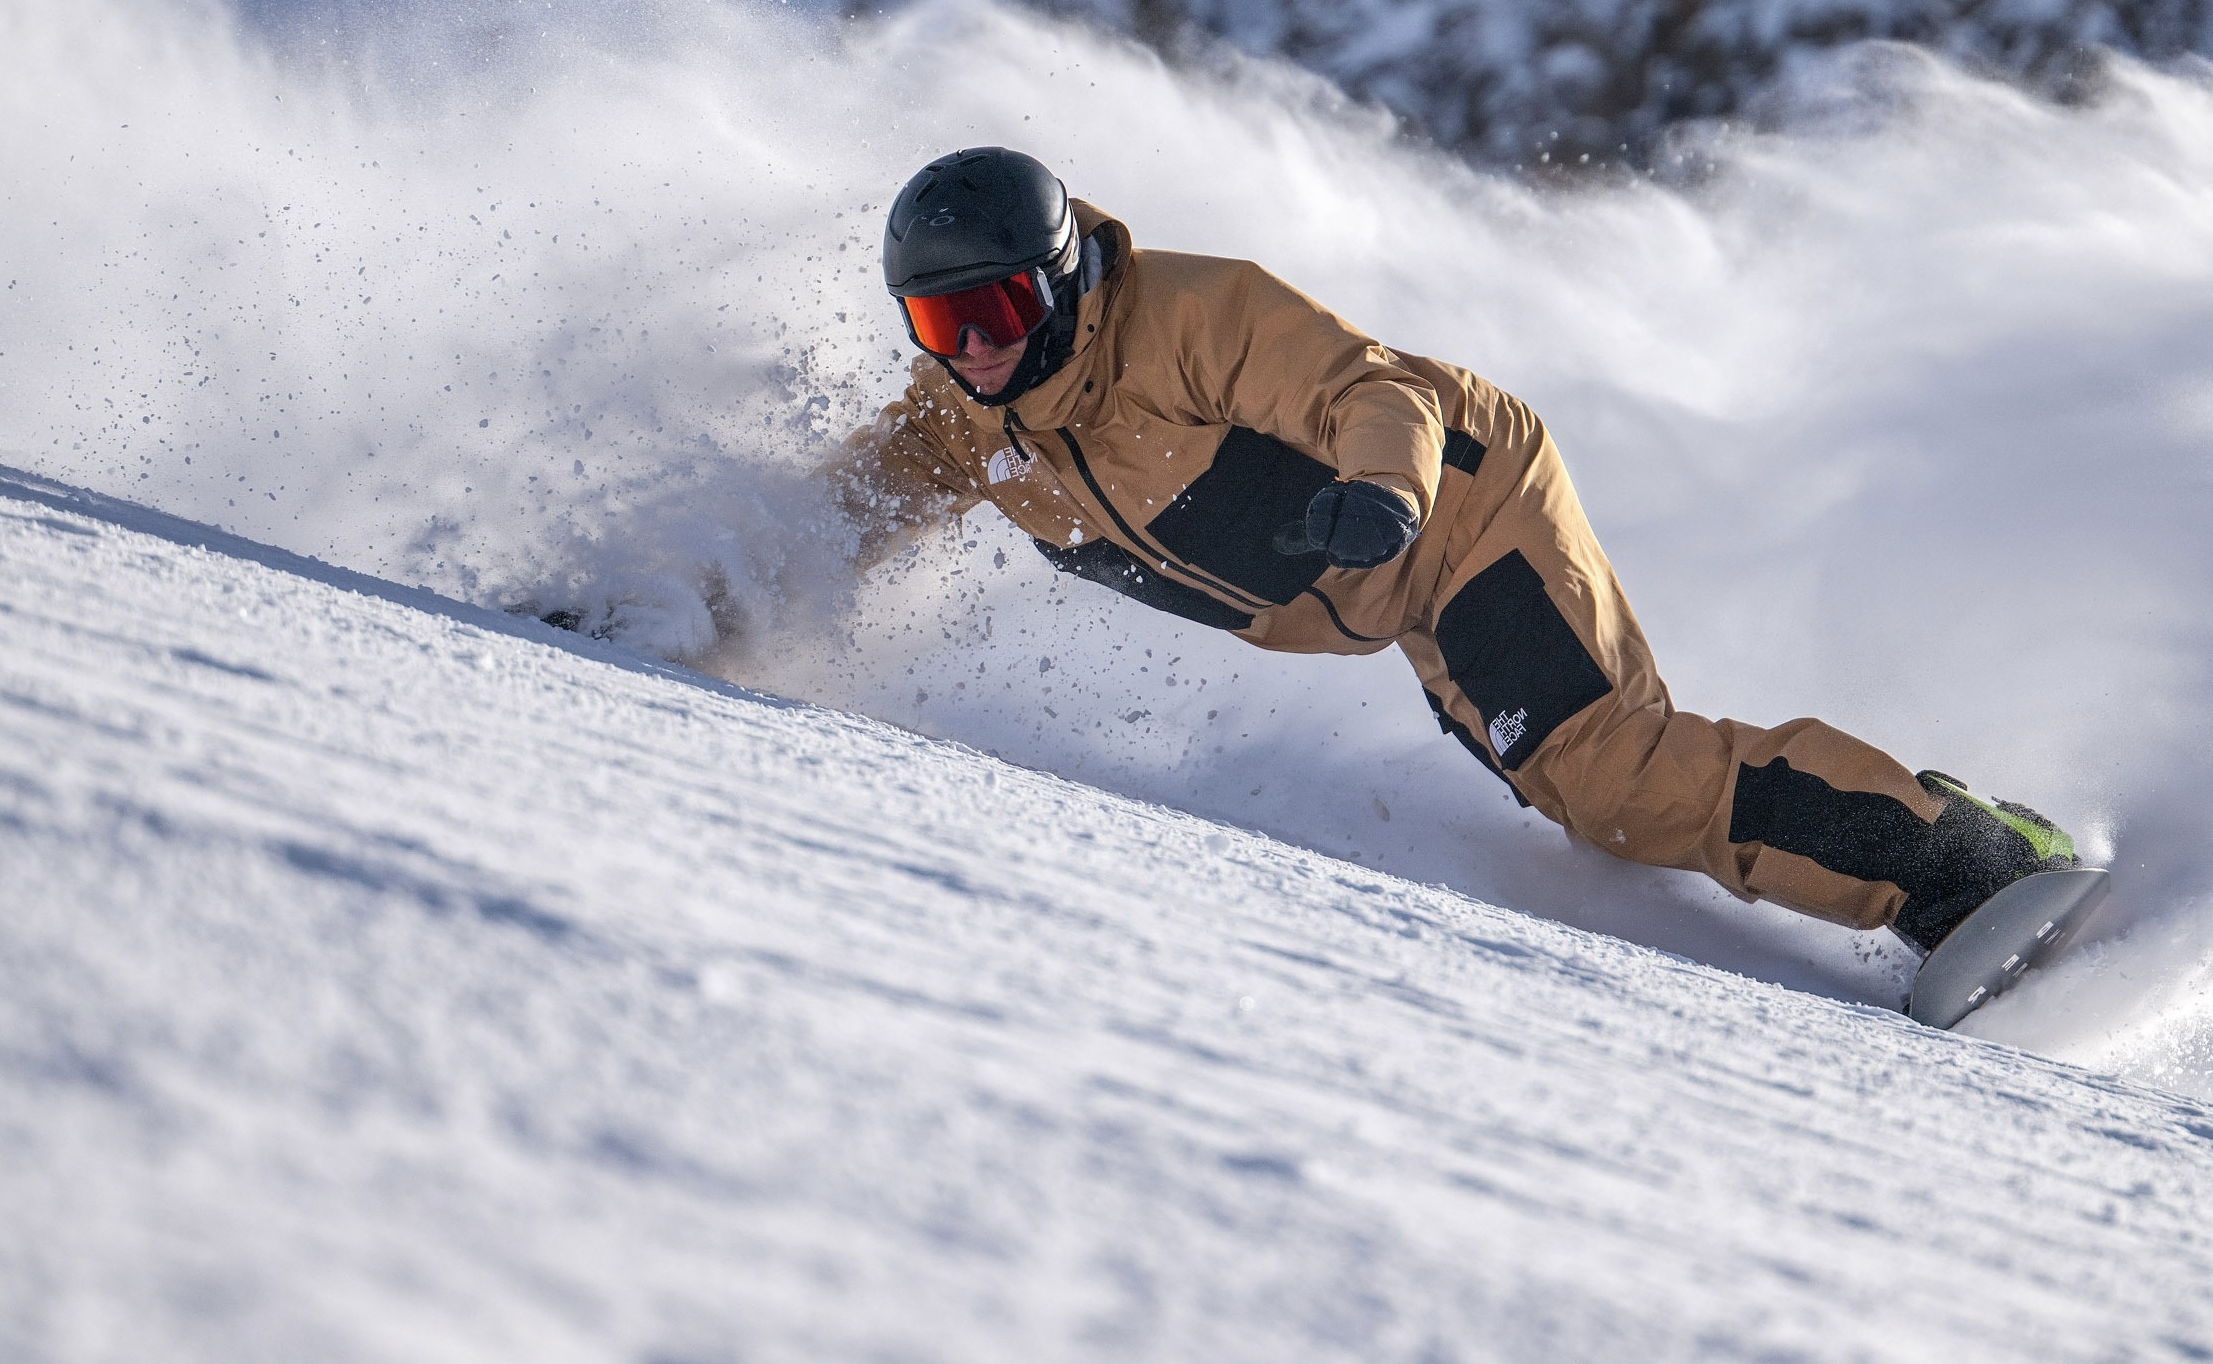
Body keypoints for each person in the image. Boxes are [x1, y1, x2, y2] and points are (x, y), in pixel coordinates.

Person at [833, 147, 2080, 952]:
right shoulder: (964, 420)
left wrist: (1385, 490)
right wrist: (693, 593)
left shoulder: (1185, 317)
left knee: (1613, 776)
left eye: (995, 309)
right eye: (939, 320)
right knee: (1578, 791)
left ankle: (1963, 869)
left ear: (1056, 282)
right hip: (1396, 596)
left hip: (1458, 507)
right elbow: (841, 508)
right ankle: (1950, 840)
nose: (974, 348)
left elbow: (1371, 389)